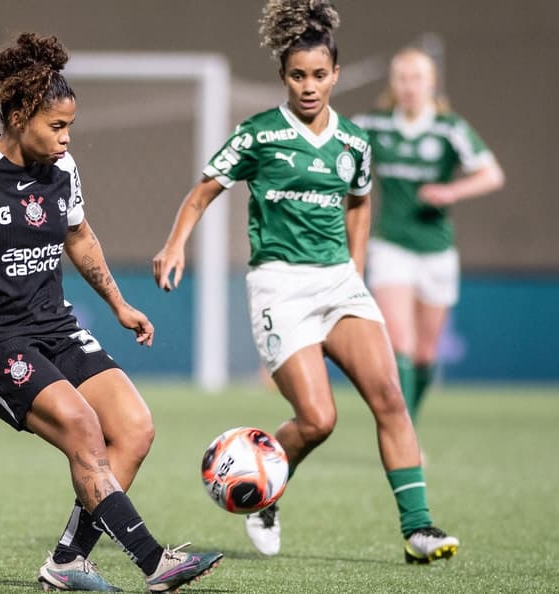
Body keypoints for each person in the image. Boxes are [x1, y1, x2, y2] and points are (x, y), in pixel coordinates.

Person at [0, 33, 221, 593]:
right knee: (83, 428)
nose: (67, 138)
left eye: (70, 125)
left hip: (59, 329)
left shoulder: (63, 169)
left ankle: (67, 563)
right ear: (21, 115)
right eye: (57, 126)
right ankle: (154, 562)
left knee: (136, 429)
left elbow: (80, 236)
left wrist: (119, 304)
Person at [153, 0, 458, 564]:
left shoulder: (354, 143)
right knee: (319, 420)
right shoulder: (259, 135)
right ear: (283, 77)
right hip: (280, 287)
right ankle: (266, 494)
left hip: (340, 284)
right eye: (298, 75)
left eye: (320, 75)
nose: (309, 86)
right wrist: (176, 244)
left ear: (336, 75)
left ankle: (419, 530)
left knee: (391, 397)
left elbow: (361, 203)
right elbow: (202, 193)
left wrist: (356, 267)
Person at [353, 48, 505, 423]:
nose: (409, 86)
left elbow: (492, 174)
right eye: (402, 78)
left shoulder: (448, 127)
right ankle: (399, 432)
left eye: (417, 78)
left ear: (431, 83)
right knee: (399, 346)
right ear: (393, 83)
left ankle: (410, 424)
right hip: (391, 244)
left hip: (436, 250)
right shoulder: (375, 124)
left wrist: (451, 191)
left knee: (425, 354)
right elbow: (334, 150)